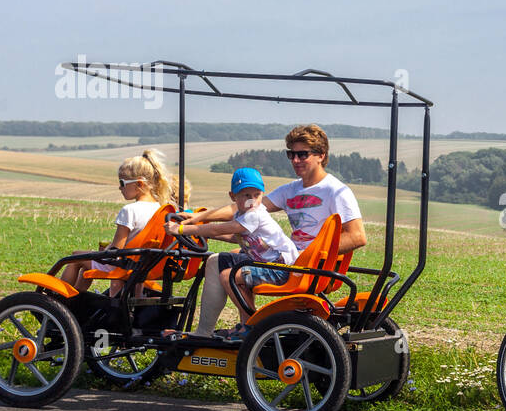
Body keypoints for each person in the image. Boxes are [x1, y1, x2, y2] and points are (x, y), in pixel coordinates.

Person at [168, 124, 367, 338]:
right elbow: (244, 207)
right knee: (216, 261)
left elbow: (357, 236)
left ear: (321, 156)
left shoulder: (336, 191)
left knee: (231, 274)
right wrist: (199, 216)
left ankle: (254, 329)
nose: (296, 160)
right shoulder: (291, 189)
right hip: (286, 258)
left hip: (307, 266)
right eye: (291, 154)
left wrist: (310, 256)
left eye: (302, 154)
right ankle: (206, 333)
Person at [168, 168, 299, 339]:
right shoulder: (242, 215)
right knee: (221, 263)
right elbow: (234, 236)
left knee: (228, 276)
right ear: (233, 196)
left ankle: (253, 325)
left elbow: (218, 228)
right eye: (246, 195)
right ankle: (212, 331)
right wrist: (199, 227)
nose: (252, 200)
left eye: (257, 194)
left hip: (280, 268)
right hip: (269, 265)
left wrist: (181, 229)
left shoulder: (255, 215)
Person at [59, 149, 185, 293]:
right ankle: (78, 298)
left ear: (139, 184)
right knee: (86, 266)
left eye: (122, 182)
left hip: (123, 265)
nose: (120, 187)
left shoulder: (129, 210)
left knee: (75, 257)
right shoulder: (161, 210)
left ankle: (60, 298)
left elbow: (116, 250)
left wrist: (104, 251)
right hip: (144, 265)